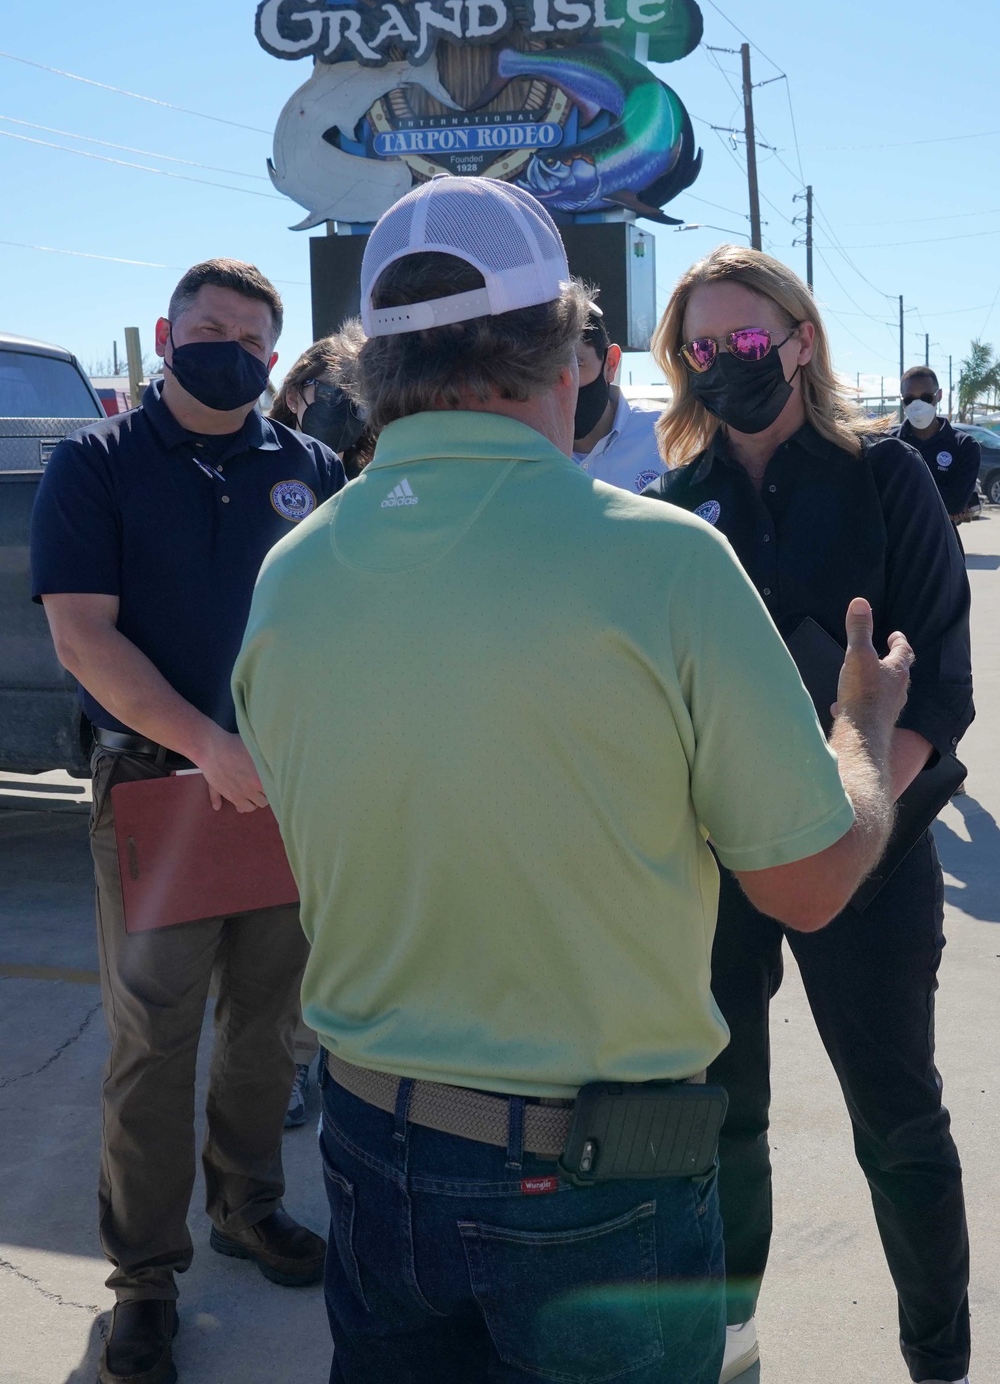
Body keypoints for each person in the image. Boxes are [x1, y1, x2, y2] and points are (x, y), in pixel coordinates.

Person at [233, 176, 914, 1384]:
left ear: (371, 366)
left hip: (366, 1146)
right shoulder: (659, 560)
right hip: (590, 1180)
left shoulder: (294, 573)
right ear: (570, 351)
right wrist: (859, 732)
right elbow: (806, 885)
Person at [643, 246, 974, 1384]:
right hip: (721, 867)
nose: (722, 364)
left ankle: (936, 1355)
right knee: (721, 1115)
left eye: (744, 340)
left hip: (872, 858)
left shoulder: (888, 479)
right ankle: (727, 1346)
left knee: (898, 1122)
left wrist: (854, 816)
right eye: (700, 347)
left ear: (799, 340)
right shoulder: (670, 508)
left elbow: (935, 683)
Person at [30, 259, 345, 1384]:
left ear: (274, 352)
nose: (232, 349)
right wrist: (210, 745)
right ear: (167, 334)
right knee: (154, 1041)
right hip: (163, 788)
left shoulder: (307, 467)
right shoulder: (96, 463)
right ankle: (145, 1279)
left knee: (269, 1030)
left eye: (253, 338)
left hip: (278, 796)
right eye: (208, 328)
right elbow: (82, 636)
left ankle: (248, 1209)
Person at [268, 321, 375, 1127]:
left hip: (375, 731)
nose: (341, 413)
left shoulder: (392, 482)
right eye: (326, 396)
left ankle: (337, 1055)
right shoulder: (277, 476)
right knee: (286, 924)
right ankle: (294, 1065)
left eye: (355, 398)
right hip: (297, 734)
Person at [572, 305, 664, 491]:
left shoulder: (669, 437)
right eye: (544, 372)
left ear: (610, 363)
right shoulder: (524, 453)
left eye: (575, 365)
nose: (562, 384)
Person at [269, 322, 376, 481]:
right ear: (293, 398)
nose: (345, 406)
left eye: (357, 398)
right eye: (329, 393)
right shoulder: (263, 475)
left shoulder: (370, 484)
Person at [893, 366, 981, 525]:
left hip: (940, 543)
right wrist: (941, 494)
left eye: (926, 397)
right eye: (909, 399)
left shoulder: (964, 446)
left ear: (938, 395)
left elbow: (954, 504)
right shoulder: (888, 442)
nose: (917, 405)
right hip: (893, 545)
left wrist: (900, 489)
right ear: (902, 400)